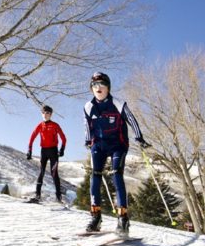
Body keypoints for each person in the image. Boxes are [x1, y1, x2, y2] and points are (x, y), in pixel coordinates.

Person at [83, 72, 150, 235]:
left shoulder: (118, 104)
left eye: (102, 84)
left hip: (117, 145)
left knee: (116, 175)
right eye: (95, 85)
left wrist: (139, 137)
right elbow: (87, 126)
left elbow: (132, 120)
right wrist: (87, 140)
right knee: (95, 176)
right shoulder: (88, 107)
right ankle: (95, 217)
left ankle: (123, 219)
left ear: (108, 87)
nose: (98, 88)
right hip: (98, 145)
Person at [26, 105, 67, 203]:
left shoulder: (55, 125)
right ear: (42, 114)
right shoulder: (40, 125)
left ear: (51, 114)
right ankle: (37, 196)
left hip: (53, 151)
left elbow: (63, 138)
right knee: (42, 172)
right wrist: (29, 150)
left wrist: (62, 149)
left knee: (54, 173)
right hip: (43, 151)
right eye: (44, 113)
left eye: (48, 113)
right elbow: (32, 137)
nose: (45, 115)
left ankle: (58, 198)